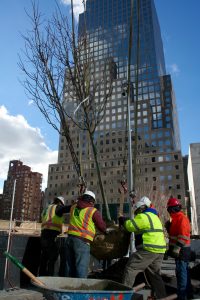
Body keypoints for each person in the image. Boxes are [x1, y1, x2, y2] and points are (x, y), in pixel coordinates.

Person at [119, 196, 167, 299]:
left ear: (141, 208)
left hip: (149, 249)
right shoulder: (155, 217)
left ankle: (124, 296)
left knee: (131, 268)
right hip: (160, 250)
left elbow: (130, 226)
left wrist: (124, 221)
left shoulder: (144, 216)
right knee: (155, 275)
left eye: (137, 211)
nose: (136, 214)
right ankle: (161, 297)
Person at [65, 190, 107, 278]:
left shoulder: (73, 207)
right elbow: (102, 226)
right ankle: (81, 288)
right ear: (92, 201)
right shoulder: (92, 211)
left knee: (70, 267)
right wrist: (106, 231)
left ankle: (70, 287)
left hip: (69, 239)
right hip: (82, 241)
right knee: (81, 267)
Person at [165, 197, 192, 300]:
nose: (169, 212)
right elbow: (174, 236)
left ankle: (182, 296)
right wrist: (169, 228)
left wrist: (176, 249)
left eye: (169, 209)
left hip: (182, 251)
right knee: (184, 273)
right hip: (180, 251)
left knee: (182, 275)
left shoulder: (182, 218)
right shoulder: (175, 219)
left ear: (172, 209)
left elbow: (184, 236)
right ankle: (189, 295)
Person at [39, 196, 70, 276]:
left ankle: (41, 276)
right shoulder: (58, 208)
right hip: (52, 235)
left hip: (43, 234)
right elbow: (67, 209)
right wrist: (76, 204)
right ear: (60, 203)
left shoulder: (46, 208)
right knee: (52, 258)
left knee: (44, 258)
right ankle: (49, 277)